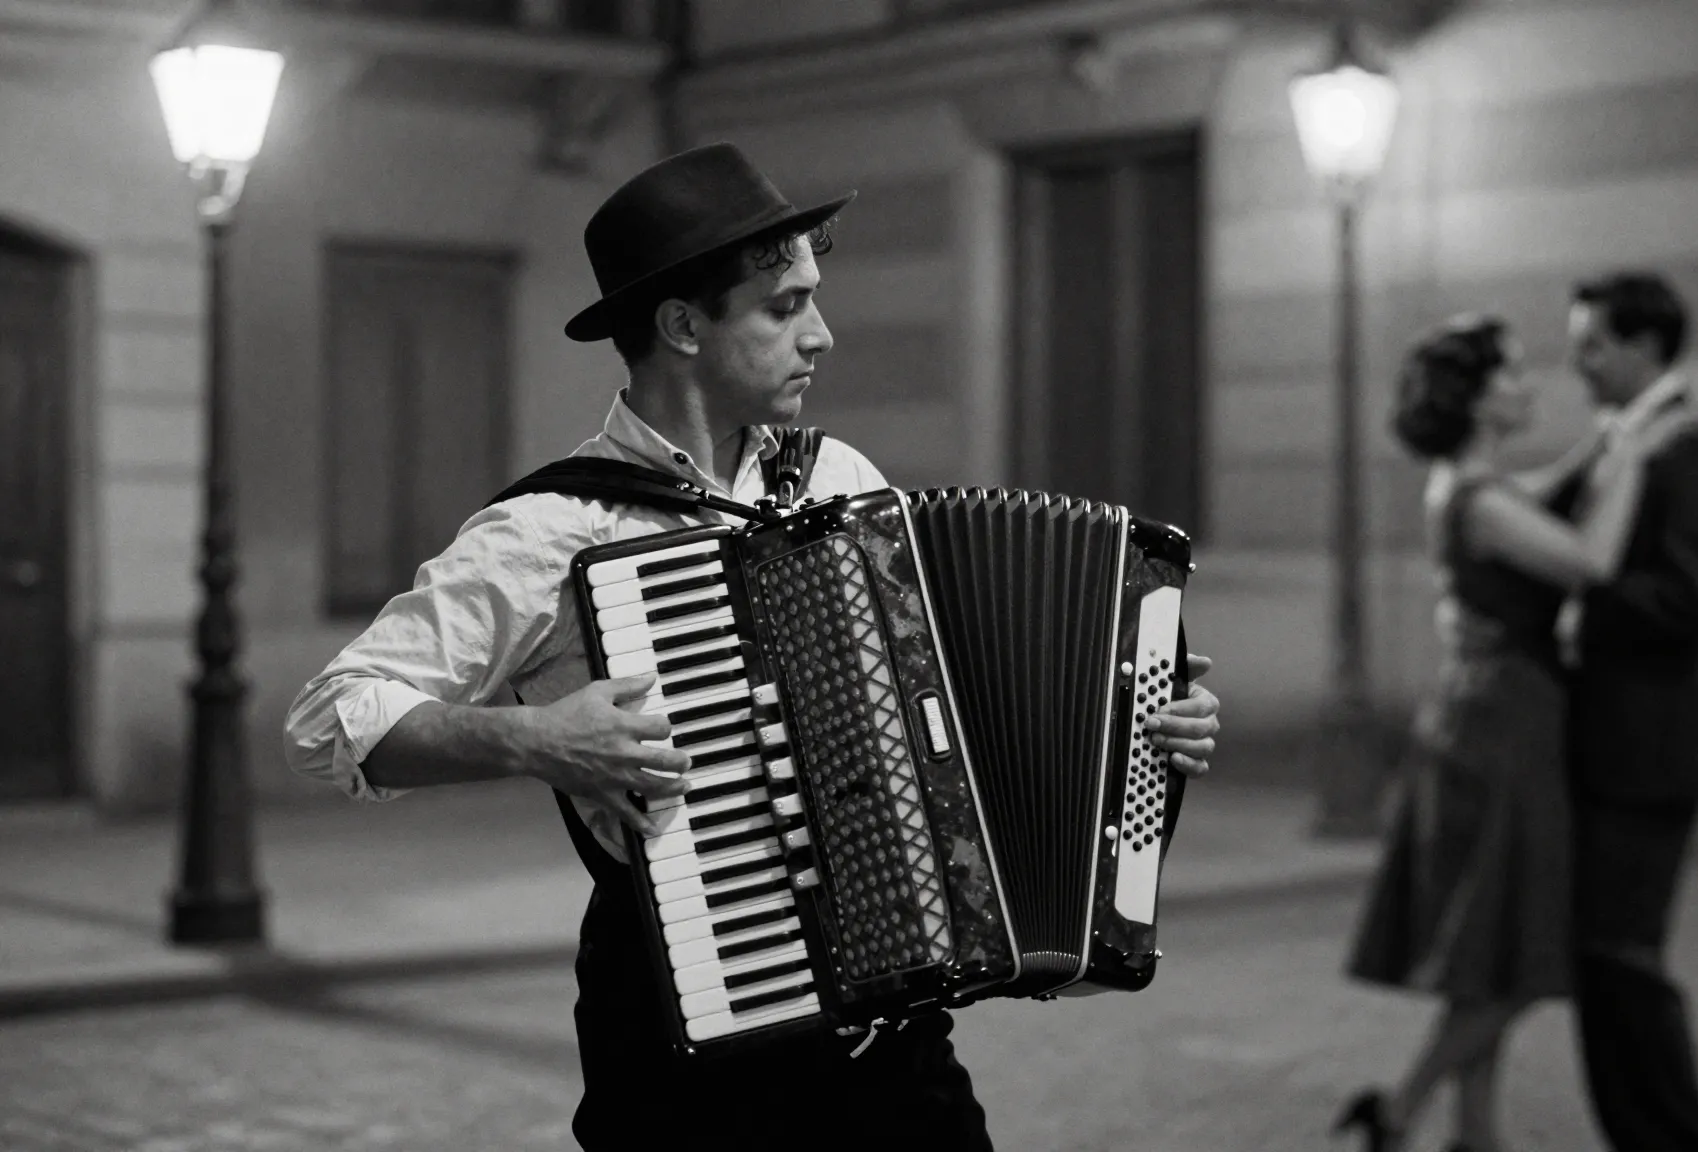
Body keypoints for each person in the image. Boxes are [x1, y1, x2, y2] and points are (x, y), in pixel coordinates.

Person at [283, 143, 1224, 1151]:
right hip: (687, 1051)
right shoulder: (554, 530)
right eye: (783, 308)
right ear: (683, 326)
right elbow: (334, 713)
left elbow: (950, 709)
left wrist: (1131, 721)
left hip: (892, 1042)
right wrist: (534, 740)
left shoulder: (840, 481)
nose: (820, 334)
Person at [1334, 314, 1691, 1152]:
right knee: (1523, 952)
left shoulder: (1473, 485)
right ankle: (1401, 1109)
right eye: (1510, 374)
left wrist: (1605, 445)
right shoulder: (1484, 501)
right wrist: (1633, 462)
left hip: (1486, 715)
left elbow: (1550, 488)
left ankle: (1475, 1136)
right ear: (1475, 399)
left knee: (1490, 950)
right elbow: (1589, 563)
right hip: (1506, 727)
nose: (1529, 386)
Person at [1550, 271, 1698, 1152]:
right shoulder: (1616, 444)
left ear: (1644, 345)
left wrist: (1579, 605)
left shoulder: (1693, 451)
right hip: (1607, 744)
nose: (1578, 362)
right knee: (1601, 960)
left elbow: (1687, 601)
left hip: (1653, 748)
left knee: (1623, 959)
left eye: (1592, 344)